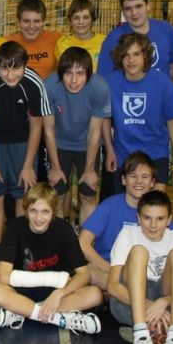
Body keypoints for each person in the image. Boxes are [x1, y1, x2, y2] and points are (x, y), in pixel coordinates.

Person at [0, 184, 102, 333]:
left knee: (95, 295)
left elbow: (84, 274)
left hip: (57, 294)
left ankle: (21, 311)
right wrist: (54, 279)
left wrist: (59, 294)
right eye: (33, 211)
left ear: (54, 212)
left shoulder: (64, 230)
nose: (38, 218)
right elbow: (4, 277)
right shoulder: (15, 227)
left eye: (45, 211)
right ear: (26, 209)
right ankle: (59, 320)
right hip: (21, 292)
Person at [0, 40, 52, 263]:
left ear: (25, 65)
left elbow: (37, 127)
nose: (10, 75)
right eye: (4, 68)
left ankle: (21, 248)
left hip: (23, 143)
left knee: (23, 193)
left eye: (16, 68)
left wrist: (28, 166)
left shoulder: (34, 83)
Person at [108, 190, 173, 344]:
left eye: (160, 219)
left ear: (169, 220)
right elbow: (112, 286)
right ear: (138, 218)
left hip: (165, 307)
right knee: (139, 251)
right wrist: (150, 305)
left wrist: (164, 302)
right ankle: (141, 338)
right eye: (147, 218)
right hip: (128, 303)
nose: (153, 225)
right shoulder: (128, 234)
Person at [105, 33, 173, 193]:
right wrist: (109, 150)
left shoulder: (163, 84)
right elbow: (104, 119)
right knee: (125, 206)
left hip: (155, 155)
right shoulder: (109, 82)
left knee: (154, 205)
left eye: (136, 54)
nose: (131, 60)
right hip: (123, 157)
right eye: (126, 55)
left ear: (146, 56)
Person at [43, 46, 111, 227]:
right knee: (56, 196)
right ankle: (59, 239)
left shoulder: (100, 87)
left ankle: (86, 240)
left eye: (80, 74)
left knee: (88, 194)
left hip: (87, 146)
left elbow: (95, 131)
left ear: (89, 74)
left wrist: (89, 170)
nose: (74, 80)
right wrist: (55, 167)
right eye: (68, 73)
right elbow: (48, 129)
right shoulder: (49, 86)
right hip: (59, 144)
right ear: (60, 73)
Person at [79, 152, 167, 292]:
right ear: (124, 180)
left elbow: (172, 246)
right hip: (108, 270)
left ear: (152, 182)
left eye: (145, 177)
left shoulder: (159, 209)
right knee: (89, 272)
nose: (138, 181)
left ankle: (127, 294)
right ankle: (135, 295)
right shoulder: (109, 206)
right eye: (133, 176)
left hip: (145, 272)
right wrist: (109, 268)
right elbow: (82, 243)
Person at [97, 0, 173, 82]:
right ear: (123, 12)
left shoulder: (166, 30)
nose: (134, 13)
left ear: (148, 6)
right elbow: (104, 77)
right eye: (128, 8)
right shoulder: (113, 39)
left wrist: (158, 87)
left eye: (138, 6)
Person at [8, 0, 61, 78]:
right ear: (18, 22)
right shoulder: (8, 43)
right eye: (26, 21)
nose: (32, 26)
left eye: (36, 21)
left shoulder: (56, 39)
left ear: (43, 21)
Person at [55, 0, 106, 68]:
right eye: (76, 18)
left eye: (86, 17)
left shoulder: (105, 42)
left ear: (92, 19)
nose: (81, 22)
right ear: (70, 21)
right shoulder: (62, 44)